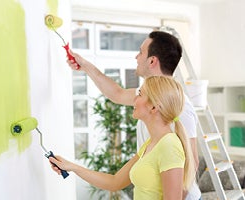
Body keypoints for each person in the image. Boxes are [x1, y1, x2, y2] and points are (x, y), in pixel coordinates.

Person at [67, 30, 201, 200]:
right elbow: (117, 93)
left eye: (140, 52)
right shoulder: (149, 101)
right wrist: (85, 65)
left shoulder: (180, 107)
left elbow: (192, 162)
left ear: (152, 60)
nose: (136, 57)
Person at [50, 76, 196, 200]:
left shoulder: (169, 145)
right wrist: (73, 167)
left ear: (154, 107)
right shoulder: (150, 144)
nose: (134, 98)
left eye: (140, 94)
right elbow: (114, 182)